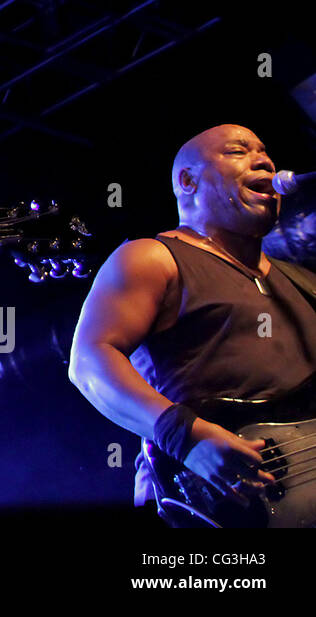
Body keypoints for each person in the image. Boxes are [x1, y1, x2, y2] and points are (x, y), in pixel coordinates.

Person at [69, 123, 316, 516]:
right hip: (203, 503)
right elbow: (89, 361)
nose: (265, 160)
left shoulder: (302, 281)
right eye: (239, 151)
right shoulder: (152, 257)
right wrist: (185, 438)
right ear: (187, 180)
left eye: (266, 153)